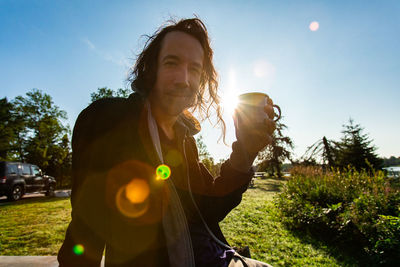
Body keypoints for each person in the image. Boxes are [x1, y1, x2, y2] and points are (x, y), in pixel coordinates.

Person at [58, 17, 276, 267]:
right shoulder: (108, 121)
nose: (184, 79)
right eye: (172, 63)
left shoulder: (185, 139)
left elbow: (208, 209)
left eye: (195, 69)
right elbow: (85, 232)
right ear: (151, 69)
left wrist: (245, 152)